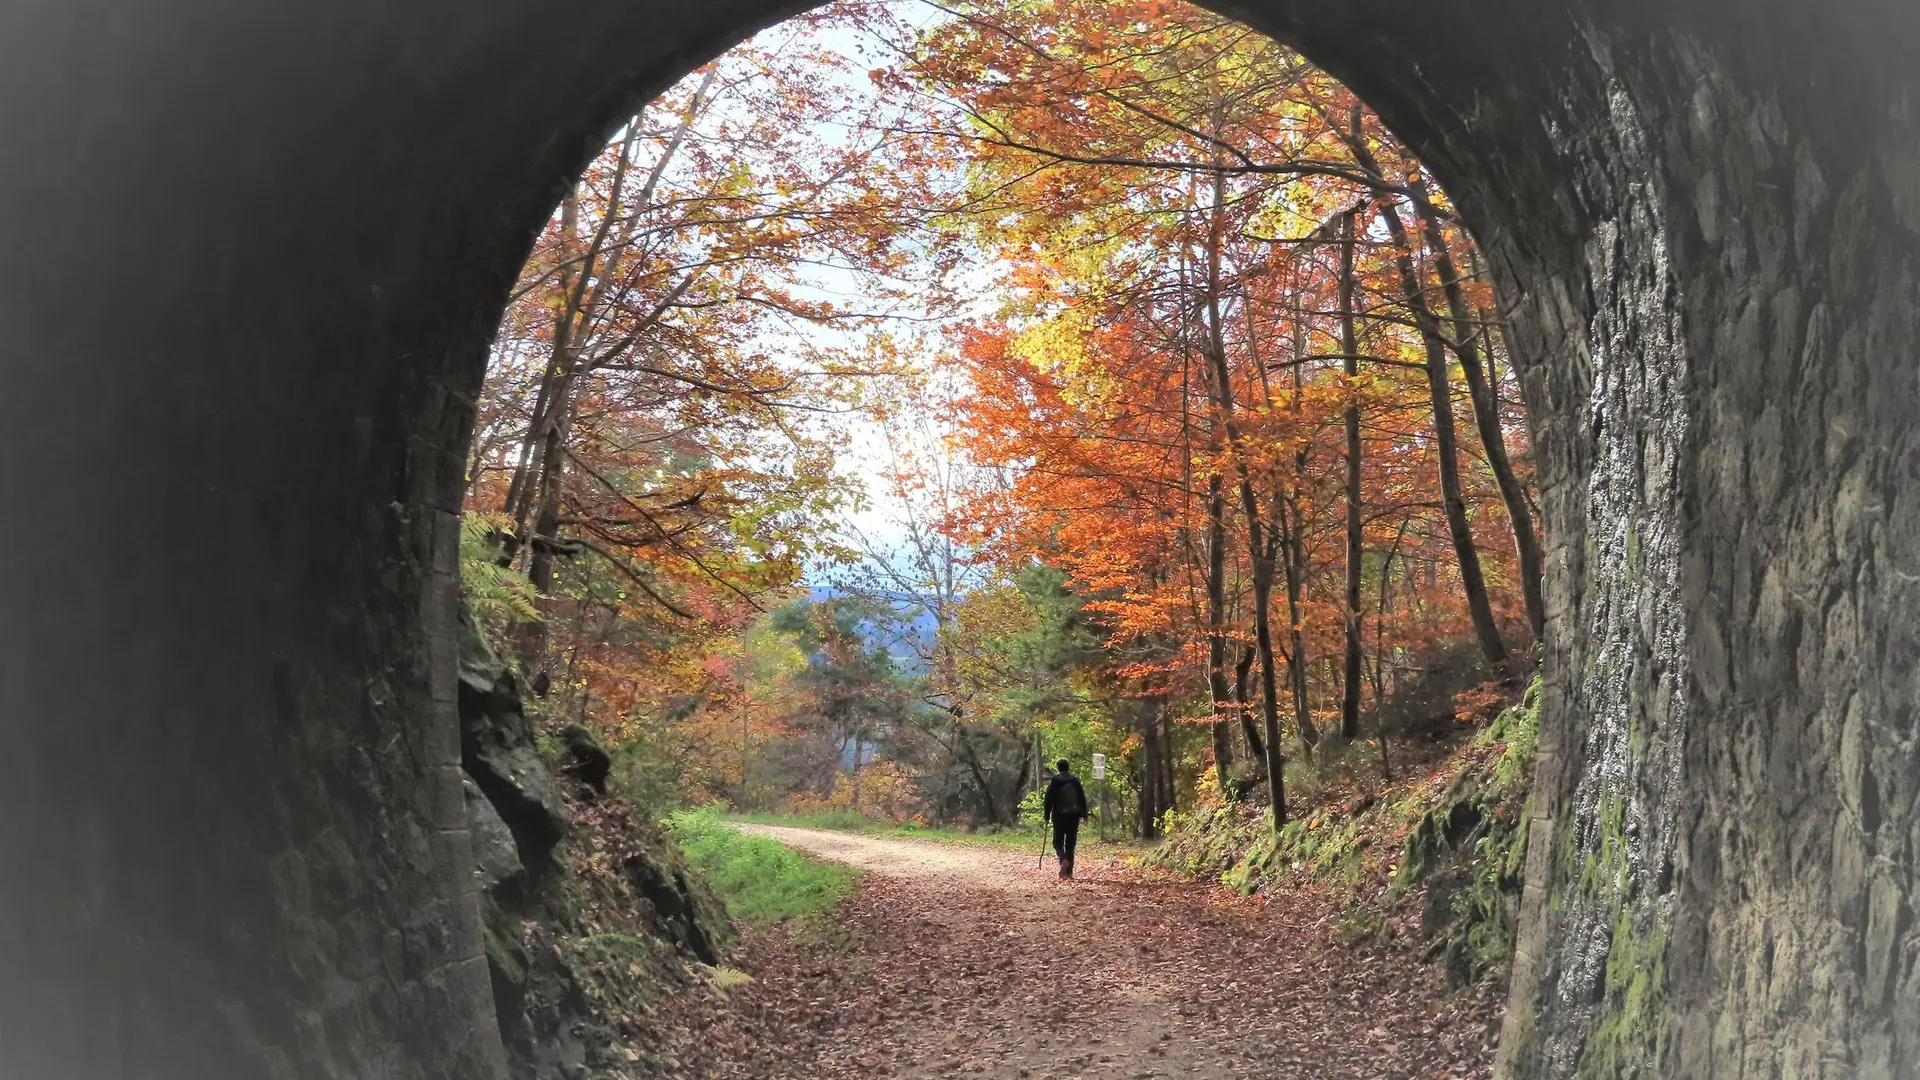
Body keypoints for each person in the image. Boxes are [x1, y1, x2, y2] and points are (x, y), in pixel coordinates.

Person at [1041, 759, 1089, 880]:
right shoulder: (1075, 781)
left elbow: (1048, 800)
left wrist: (1046, 815)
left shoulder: (1055, 781)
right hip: (1073, 816)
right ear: (1068, 767)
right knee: (1070, 843)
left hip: (1059, 815)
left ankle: (1063, 859)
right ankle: (1069, 873)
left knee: (1057, 842)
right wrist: (1084, 815)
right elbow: (1082, 798)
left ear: (1058, 768)